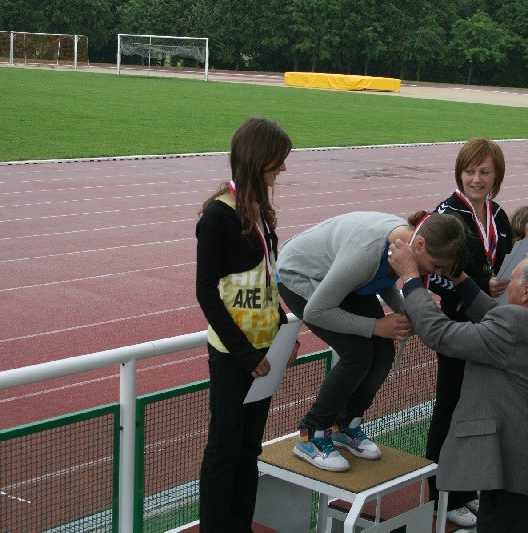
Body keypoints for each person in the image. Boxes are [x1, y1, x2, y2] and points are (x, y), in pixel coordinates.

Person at [388, 246, 528, 533]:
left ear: (525, 292)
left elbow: (440, 334)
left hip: (522, 480)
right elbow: (496, 313)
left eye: (513, 280)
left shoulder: (516, 327)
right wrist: (458, 276)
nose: (508, 285)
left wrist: (411, 278)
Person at [276, 210, 468, 472]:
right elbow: (315, 312)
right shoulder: (367, 253)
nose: (439, 273)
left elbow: (381, 280)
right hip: (301, 274)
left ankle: (345, 425)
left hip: (342, 277)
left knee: (383, 352)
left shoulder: (404, 245)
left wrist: (404, 311)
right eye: (436, 266)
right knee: (357, 354)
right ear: (420, 245)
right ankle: (311, 434)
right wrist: (376, 326)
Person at [195, 117, 300, 532]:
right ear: (258, 160)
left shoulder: (259, 212)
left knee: (249, 449)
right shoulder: (217, 216)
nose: (284, 169)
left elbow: (267, 280)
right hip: (233, 356)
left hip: (264, 352)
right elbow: (206, 292)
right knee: (225, 450)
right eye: (278, 161)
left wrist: (283, 331)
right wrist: (245, 354)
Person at [425, 138, 513, 527]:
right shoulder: (447, 215)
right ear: (459, 173)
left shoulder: (500, 215)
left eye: (484, 172)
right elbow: (431, 273)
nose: (476, 179)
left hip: (492, 325)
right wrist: (477, 287)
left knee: (478, 410)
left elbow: (505, 262)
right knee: (450, 408)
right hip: (458, 328)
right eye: (469, 171)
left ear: (497, 176)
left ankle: (462, 492)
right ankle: (440, 496)